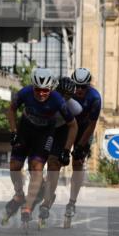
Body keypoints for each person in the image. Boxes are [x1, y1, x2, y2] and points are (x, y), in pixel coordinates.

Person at [4, 67, 77, 227]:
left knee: (36, 169)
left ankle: (28, 207)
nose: (41, 94)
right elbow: (11, 109)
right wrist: (13, 130)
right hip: (25, 130)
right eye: (38, 90)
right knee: (14, 166)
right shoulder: (25, 93)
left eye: (45, 90)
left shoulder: (58, 100)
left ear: (50, 88)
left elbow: (73, 125)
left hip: (44, 135)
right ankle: (19, 195)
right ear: (33, 87)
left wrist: (67, 150)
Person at [33, 76, 84, 225]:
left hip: (61, 132)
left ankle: (47, 202)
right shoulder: (43, 99)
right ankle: (42, 187)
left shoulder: (75, 108)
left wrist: (66, 151)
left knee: (54, 165)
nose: (63, 97)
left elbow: (74, 128)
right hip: (43, 130)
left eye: (67, 96)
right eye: (60, 93)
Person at [64, 67, 102, 222]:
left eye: (83, 87)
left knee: (77, 163)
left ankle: (72, 202)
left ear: (88, 86)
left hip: (84, 131)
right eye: (76, 86)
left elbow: (92, 125)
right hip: (67, 128)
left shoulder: (95, 98)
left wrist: (79, 146)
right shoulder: (67, 92)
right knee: (57, 158)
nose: (79, 90)